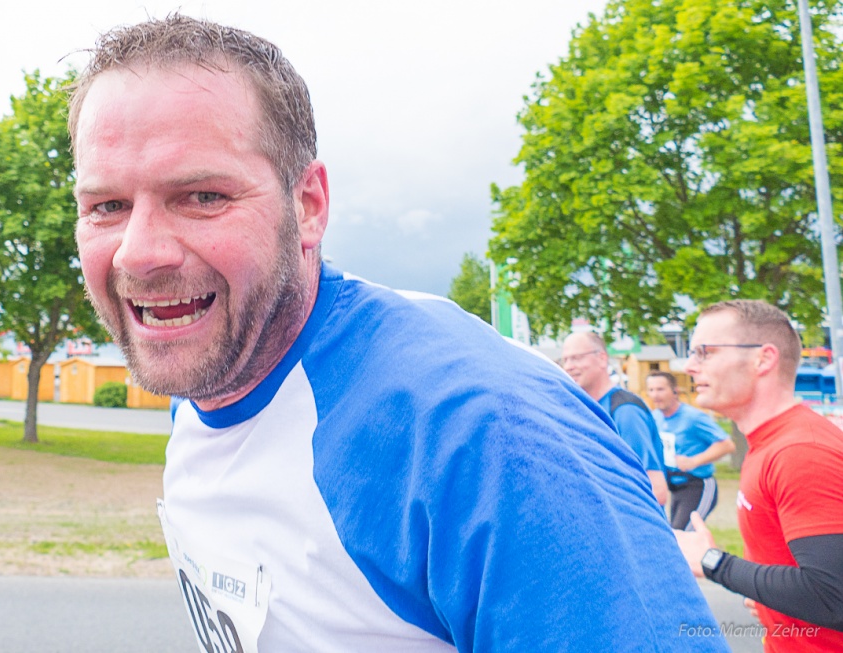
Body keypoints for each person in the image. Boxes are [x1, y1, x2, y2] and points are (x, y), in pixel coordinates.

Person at [70, 15, 722, 651]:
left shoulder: (488, 437)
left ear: (308, 206)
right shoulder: (211, 372)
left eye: (202, 196)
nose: (139, 253)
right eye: (107, 206)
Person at [675, 300, 843, 650]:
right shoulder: (769, 442)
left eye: (705, 352)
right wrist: (766, 594)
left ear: (763, 359)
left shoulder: (799, 452)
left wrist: (711, 562)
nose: (690, 366)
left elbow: (833, 596)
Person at [560, 331, 669, 506]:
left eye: (577, 358)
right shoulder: (582, 409)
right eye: (565, 360)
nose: (569, 366)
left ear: (602, 358)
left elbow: (656, 490)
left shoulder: (625, 410)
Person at [646, 370, 735, 530]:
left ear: (675, 391)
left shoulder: (692, 417)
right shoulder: (655, 417)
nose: (655, 395)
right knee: (675, 535)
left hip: (698, 485)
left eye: (660, 389)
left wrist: (694, 461)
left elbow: (726, 444)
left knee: (682, 537)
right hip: (674, 487)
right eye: (651, 390)